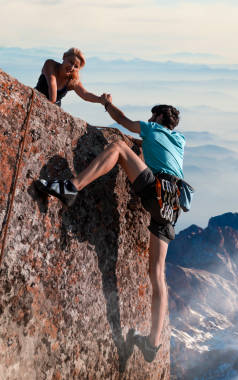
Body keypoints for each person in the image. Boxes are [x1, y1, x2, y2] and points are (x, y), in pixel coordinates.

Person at [35, 96, 185, 363]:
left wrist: (106, 103)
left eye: (153, 117)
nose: (149, 120)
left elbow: (122, 121)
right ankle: (152, 344)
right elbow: (153, 148)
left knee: (117, 147)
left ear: (160, 119)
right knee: (157, 274)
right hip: (171, 206)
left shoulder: (152, 129)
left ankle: (71, 187)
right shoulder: (180, 141)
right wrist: (142, 146)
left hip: (156, 190)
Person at [35, 48, 107, 107]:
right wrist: (51, 106)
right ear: (64, 57)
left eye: (76, 67)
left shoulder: (73, 79)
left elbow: (85, 94)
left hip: (54, 108)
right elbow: (52, 83)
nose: (72, 68)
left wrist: (100, 100)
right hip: (37, 100)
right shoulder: (50, 64)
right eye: (71, 62)